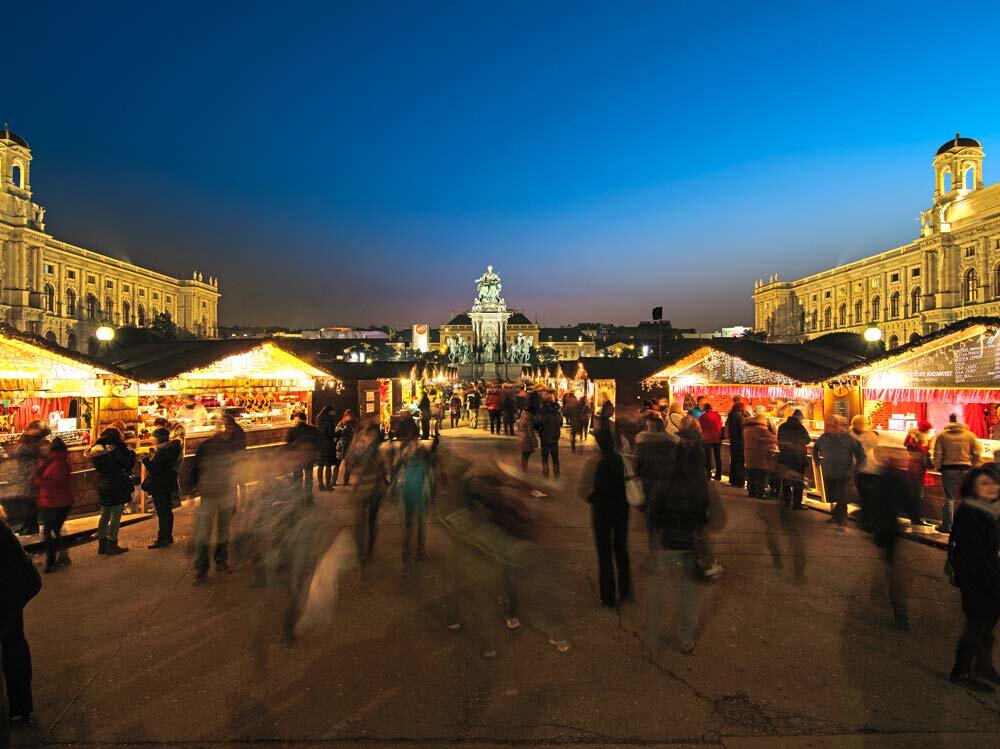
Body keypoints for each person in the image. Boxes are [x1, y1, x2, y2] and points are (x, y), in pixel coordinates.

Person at [647, 417, 710, 655]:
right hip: (689, 542)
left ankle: (653, 636)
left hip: (667, 541)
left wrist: (656, 531)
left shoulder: (664, 482)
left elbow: (654, 513)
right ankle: (686, 636)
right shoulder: (700, 486)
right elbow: (705, 518)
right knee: (688, 592)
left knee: (658, 590)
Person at [947, 467, 1000, 693]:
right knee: (976, 625)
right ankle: (961, 670)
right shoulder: (970, 512)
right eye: (985, 484)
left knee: (988, 625)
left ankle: (984, 665)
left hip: (994, 576)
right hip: (977, 579)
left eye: (995, 483)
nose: (992, 488)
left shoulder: (993, 510)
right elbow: (973, 553)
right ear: (973, 486)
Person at [580, 426, 632, 607]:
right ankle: (625, 591)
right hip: (622, 509)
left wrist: (593, 497)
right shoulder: (622, 460)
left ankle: (608, 595)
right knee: (621, 549)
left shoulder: (594, 462)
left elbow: (583, 490)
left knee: (604, 553)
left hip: (601, 511)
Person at [1, 503, 40, 725]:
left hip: (10, 589)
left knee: (12, 642)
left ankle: (20, 709)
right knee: (13, 643)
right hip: (13, 585)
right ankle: (20, 708)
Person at [189, 421, 240, 581]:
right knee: (217, 532)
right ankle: (214, 563)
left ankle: (206, 566)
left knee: (210, 532)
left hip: (215, 494)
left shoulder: (210, 446)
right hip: (214, 494)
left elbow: (196, 469)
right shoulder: (219, 447)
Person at [393, 432, 435, 574]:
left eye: (413, 446)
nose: (411, 449)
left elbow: (431, 479)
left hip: (420, 498)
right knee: (407, 528)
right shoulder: (403, 462)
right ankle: (406, 557)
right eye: (409, 447)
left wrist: (432, 498)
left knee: (420, 526)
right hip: (406, 498)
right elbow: (396, 478)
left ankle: (420, 551)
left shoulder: (424, 460)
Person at [88, 428, 136, 555]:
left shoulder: (97, 449)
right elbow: (128, 464)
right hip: (117, 485)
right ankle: (112, 544)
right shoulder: (115, 449)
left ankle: (102, 545)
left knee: (105, 514)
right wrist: (131, 453)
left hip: (103, 484)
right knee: (116, 515)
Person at [814, 416, 866, 527]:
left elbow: (860, 453)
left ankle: (839, 517)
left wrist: (855, 469)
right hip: (830, 471)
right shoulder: (825, 437)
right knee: (837, 494)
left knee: (842, 495)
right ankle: (839, 516)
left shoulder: (848, 439)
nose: (826, 428)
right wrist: (818, 461)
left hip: (845, 471)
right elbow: (815, 448)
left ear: (836, 426)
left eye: (829, 426)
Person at [934, 413, 981, 534]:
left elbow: (938, 453)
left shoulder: (942, 435)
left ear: (949, 422)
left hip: (948, 469)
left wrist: (938, 466)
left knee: (949, 498)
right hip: (965, 468)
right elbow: (976, 452)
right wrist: (975, 466)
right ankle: (967, 525)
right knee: (967, 497)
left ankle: (947, 526)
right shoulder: (970, 435)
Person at [33, 437, 75, 572]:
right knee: (53, 531)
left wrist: (38, 480)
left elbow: (55, 483)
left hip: (55, 503)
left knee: (49, 532)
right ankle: (60, 557)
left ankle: (52, 561)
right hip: (55, 502)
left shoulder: (58, 463)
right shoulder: (55, 462)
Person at [348, 422, 388, 564]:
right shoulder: (358, 449)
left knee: (371, 522)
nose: (370, 438)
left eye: (372, 435)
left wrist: (385, 484)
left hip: (375, 492)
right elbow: (349, 465)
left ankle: (369, 551)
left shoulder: (377, 452)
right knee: (359, 523)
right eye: (368, 435)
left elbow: (383, 470)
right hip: (361, 491)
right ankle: (361, 553)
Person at [142, 428, 182, 548]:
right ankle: (168, 536)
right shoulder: (171, 449)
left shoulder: (163, 452)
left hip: (160, 485)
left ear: (158, 438)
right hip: (168, 483)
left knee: (162, 512)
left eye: (154, 437)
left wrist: (145, 459)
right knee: (167, 511)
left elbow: (155, 469)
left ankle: (162, 538)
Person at [776, 409, 811, 510]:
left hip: (785, 456)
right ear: (799, 418)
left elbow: (779, 439)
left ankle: (787, 501)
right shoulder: (799, 427)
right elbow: (807, 440)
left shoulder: (782, 426)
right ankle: (796, 503)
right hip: (798, 457)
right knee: (798, 481)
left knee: (787, 479)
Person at [903, 420, 934, 527]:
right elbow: (923, 451)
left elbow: (905, 445)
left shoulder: (911, 437)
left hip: (911, 465)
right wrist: (929, 445)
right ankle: (916, 517)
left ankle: (913, 516)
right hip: (918, 468)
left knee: (914, 492)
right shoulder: (919, 441)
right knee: (917, 493)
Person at [286, 411, 320, 502]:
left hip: (297, 459)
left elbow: (288, 445)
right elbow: (317, 442)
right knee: (309, 478)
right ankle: (309, 498)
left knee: (297, 479)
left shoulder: (292, 430)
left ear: (297, 418)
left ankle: (299, 499)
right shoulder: (312, 429)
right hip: (309, 457)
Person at [744, 410, 776, 498]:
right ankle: (760, 492)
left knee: (751, 473)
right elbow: (769, 439)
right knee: (760, 474)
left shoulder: (747, 428)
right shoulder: (761, 429)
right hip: (760, 454)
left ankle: (751, 491)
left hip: (749, 453)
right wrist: (776, 439)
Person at [535, 399, 563, 479]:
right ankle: (557, 475)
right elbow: (560, 422)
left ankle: (546, 475)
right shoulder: (556, 413)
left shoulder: (541, 413)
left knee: (545, 458)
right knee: (555, 458)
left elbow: (536, 423)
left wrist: (540, 429)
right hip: (554, 438)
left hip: (544, 438)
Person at [726, 397, 747, 489]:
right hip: (739, 442)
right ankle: (739, 481)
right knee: (740, 461)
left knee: (734, 461)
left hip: (733, 441)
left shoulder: (730, 416)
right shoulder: (740, 417)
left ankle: (733, 480)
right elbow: (742, 429)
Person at [698, 403, 723, 481]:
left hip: (706, 439)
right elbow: (721, 424)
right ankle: (718, 475)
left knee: (708, 458)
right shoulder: (717, 415)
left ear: (705, 409)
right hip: (717, 438)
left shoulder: (702, 417)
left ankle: (708, 474)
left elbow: (699, 427)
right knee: (718, 457)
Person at [315, 405, 338, 491]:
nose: (334, 412)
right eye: (333, 411)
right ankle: (328, 485)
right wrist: (340, 433)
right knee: (328, 465)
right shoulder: (330, 420)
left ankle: (321, 485)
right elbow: (331, 434)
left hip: (320, 445)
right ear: (329, 411)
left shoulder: (319, 419)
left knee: (320, 465)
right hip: (328, 445)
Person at [332, 410, 357, 486]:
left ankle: (346, 481)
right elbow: (336, 432)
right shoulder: (341, 423)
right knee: (337, 464)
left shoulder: (354, 423)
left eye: (349, 415)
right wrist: (342, 431)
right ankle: (333, 481)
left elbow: (356, 433)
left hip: (350, 445)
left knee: (348, 465)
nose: (348, 417)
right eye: (347, 415)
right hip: (341, 445)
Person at [517, 406, 538, 472]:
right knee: (526, 455)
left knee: (524, 454)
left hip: (522, 437)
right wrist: (535, 442)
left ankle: (524, 468)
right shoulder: (529, 419)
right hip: (527, 439)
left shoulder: (522, 416)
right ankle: (524, 469)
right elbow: (531, 432)